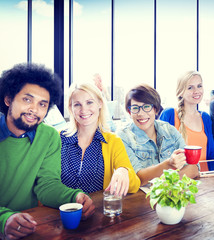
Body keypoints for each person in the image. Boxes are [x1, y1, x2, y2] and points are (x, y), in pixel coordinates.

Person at [0, 63, 94, 240]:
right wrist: (4, 219)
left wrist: (74, 196)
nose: (34, 109)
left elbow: (47, 185)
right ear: (8, 99)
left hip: (28, 227)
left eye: (42, 104)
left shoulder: (49, 136)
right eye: (27, 100)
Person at [60, 82, 140, 196]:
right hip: (59, 211)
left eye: (89, 102)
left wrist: (123, 171)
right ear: (70, 108)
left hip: (97, 210)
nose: (84, 110)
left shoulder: (112, 141)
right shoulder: (57, 139)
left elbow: (135, 186)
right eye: (77, 104)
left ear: (100, 103)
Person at [117, 84, 199, 186]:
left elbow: (194, 167)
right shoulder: (123, 137)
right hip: (141, 199)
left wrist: (169, 183)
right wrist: (168, 164)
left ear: (155, 109)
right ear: (129, 112)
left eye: (146, 107)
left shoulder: (169, 130)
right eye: (135, 108)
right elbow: (138, 178)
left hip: (172, 196)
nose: (141, 113)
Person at [159, 71, 214, 171]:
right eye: (190, 87)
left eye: (199, 86)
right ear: (180, 92)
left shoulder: (205, 118)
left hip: (205, 179)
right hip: (179, 181)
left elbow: (211, 151)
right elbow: (159, 152)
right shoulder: (169, 115)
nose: (197, 91)